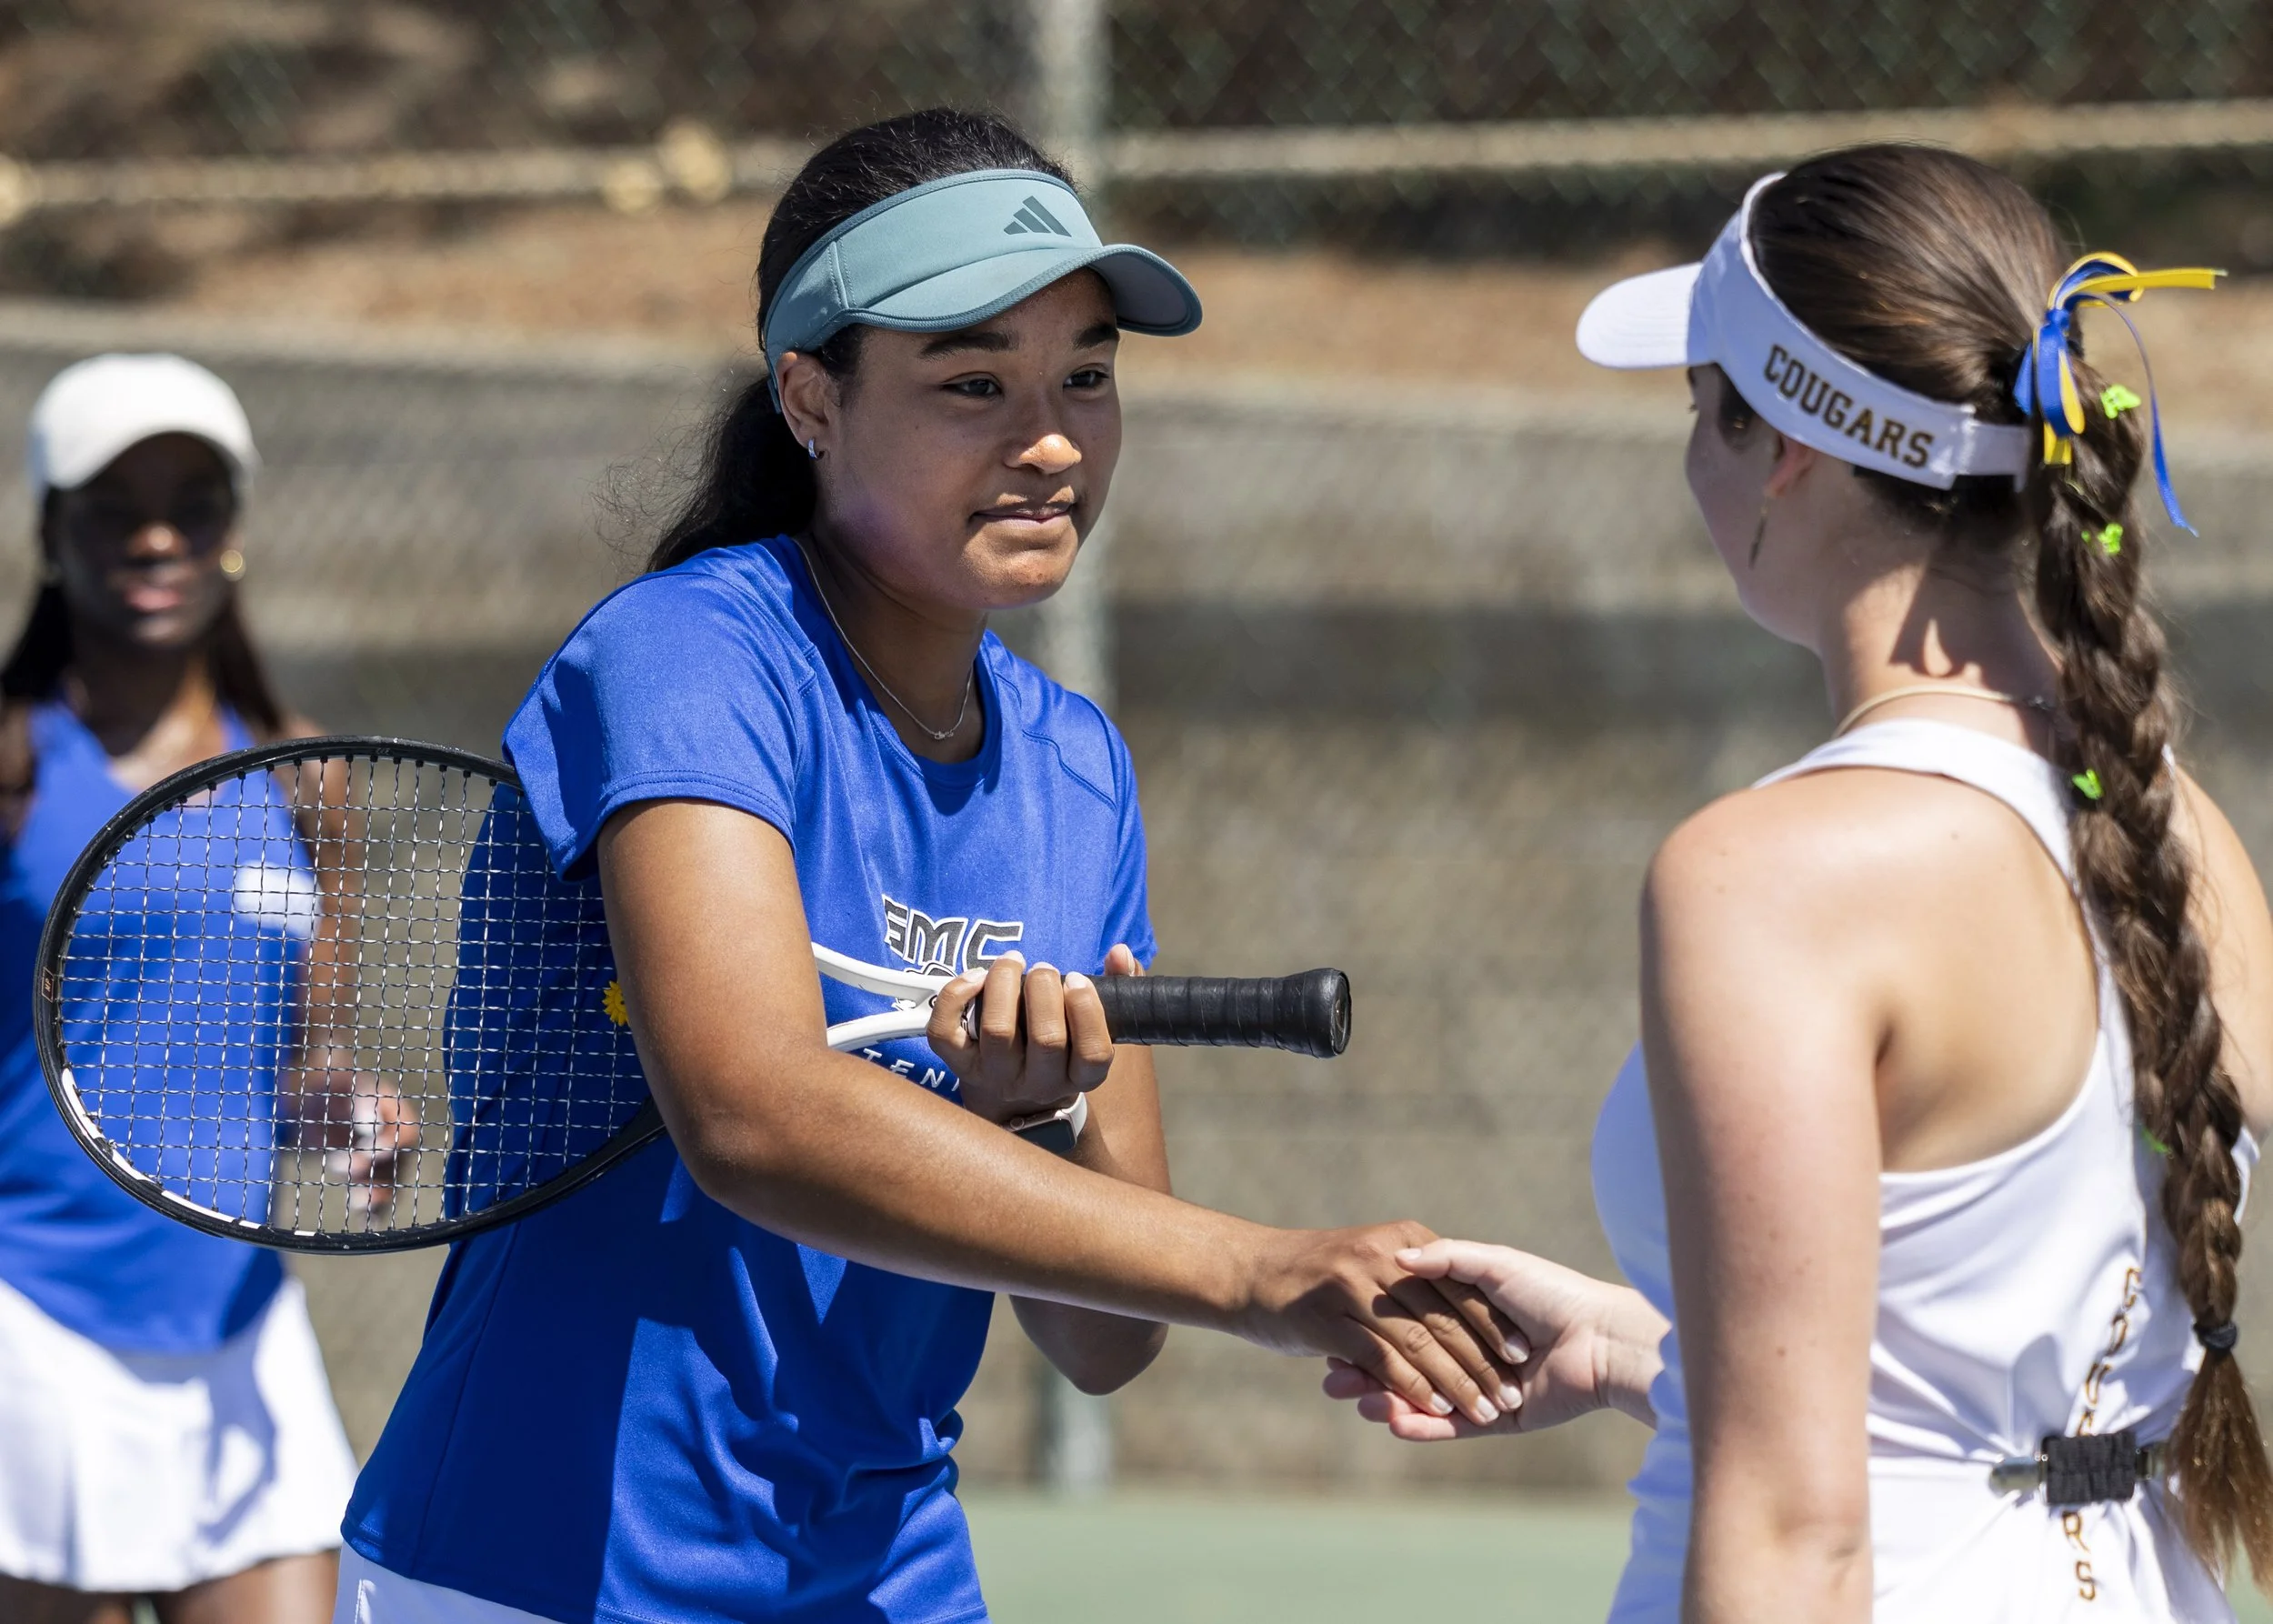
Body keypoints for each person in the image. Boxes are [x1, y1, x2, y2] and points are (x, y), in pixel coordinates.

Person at [336, 108, 1521, 1624]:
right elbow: (754, 1114)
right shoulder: (691, 654)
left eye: (1086, 377)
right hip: (542, 1568)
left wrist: (1053, 1111)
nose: (1049, 440)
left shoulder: (1077, 765)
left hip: (884, 1571)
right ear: (810, 397)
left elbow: (1105, 1343)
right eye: (974, 383)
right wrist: (1262, 1270)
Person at [1326, 145, 2273, 1619]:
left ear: (1789, 448)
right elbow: (1970, 1402)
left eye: (1699, 407)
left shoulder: (1768, 879)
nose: (1687, 457)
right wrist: (1649, 1353)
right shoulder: (2177, 828)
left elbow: (1802, 1535)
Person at [0, 355, 376, 1623]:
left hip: (236, 1323)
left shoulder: (306, 782)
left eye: (192, 503)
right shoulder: (10, 762)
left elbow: (309, 1057)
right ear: (51, 532)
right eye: (113, 507)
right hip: (30, 1327)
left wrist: (339, 1108)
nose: (155, 536)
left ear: (233, 536)